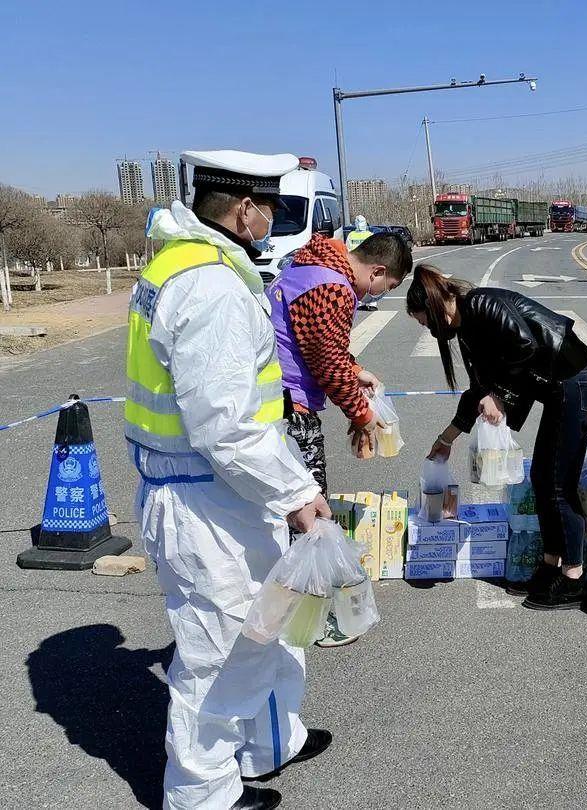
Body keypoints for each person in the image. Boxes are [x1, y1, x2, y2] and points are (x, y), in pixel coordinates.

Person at [128, 150, 332, 810]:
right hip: (203, 496)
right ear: (243, 210)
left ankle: (272, 743)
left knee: (267, 623)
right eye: (271, 206)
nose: (274, 219)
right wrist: (300, 494)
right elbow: (224, 427)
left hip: (219, 489)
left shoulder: (180, 263)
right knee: (215, 654)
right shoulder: (211, 287)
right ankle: (202, 795)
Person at [406, 267, 587, 610]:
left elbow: (524, 345)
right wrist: (447, 438)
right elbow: (477, 390)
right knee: (543, 478)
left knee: (559, 485)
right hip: (558, 390)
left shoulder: (481, 305)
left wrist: (500, 395)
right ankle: (550, 564)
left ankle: (574, 578)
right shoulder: (466, 330)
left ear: (435, 306)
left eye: (424, 321)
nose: (427, 328)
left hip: (575, 381)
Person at [267, 229, 413, 646]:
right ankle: (310, 620)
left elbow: (317, 343)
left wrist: (355, 369)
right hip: (289, 406)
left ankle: (284, 610)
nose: (379, 294)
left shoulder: (308, 264)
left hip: (274, 399)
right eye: (386, 287)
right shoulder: (335, 287)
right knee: (309, 511)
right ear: (378, 270)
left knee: (285, 510)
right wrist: (363, 414)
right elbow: (326, 362)